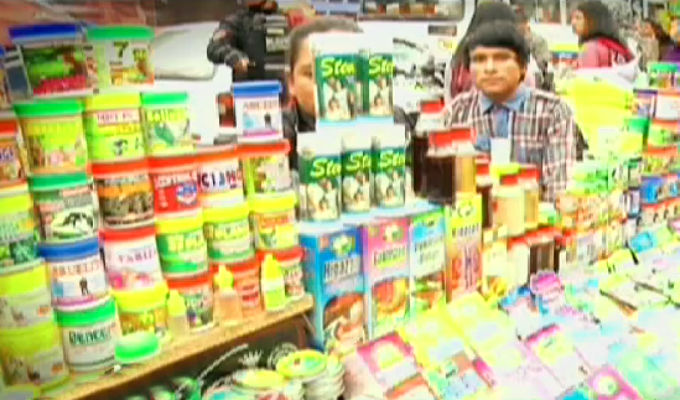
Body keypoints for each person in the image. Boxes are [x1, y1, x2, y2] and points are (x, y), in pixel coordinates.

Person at [444, 21, 579, 202]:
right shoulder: (458, 112)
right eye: (479, 59)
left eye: (501, 58)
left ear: (523, 67)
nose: (490, 68)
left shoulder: (551, 112)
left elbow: (559, 189)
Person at [284, 17, 413, 169]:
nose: (326, 87)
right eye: (311, 74)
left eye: (347, 73)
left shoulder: (397, 122)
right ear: (291, 82)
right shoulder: (279, 135)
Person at [445, 2, 541, 101]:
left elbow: (448, 98)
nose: (490, 68)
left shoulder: (457, 61)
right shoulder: (524, 61)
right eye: (480, 59)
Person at [207, 0, 282, 81]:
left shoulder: (286, 18)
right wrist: (235, 58)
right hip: (252, 85)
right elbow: (215, 46)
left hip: (286, 83)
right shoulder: (236, 22)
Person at [571, 0, 634, 68]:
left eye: (578, 18)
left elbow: (587, 74)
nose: (573, 22)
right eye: (572, 18)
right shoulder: (617, 46)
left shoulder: (590, 47)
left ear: (593, 20)